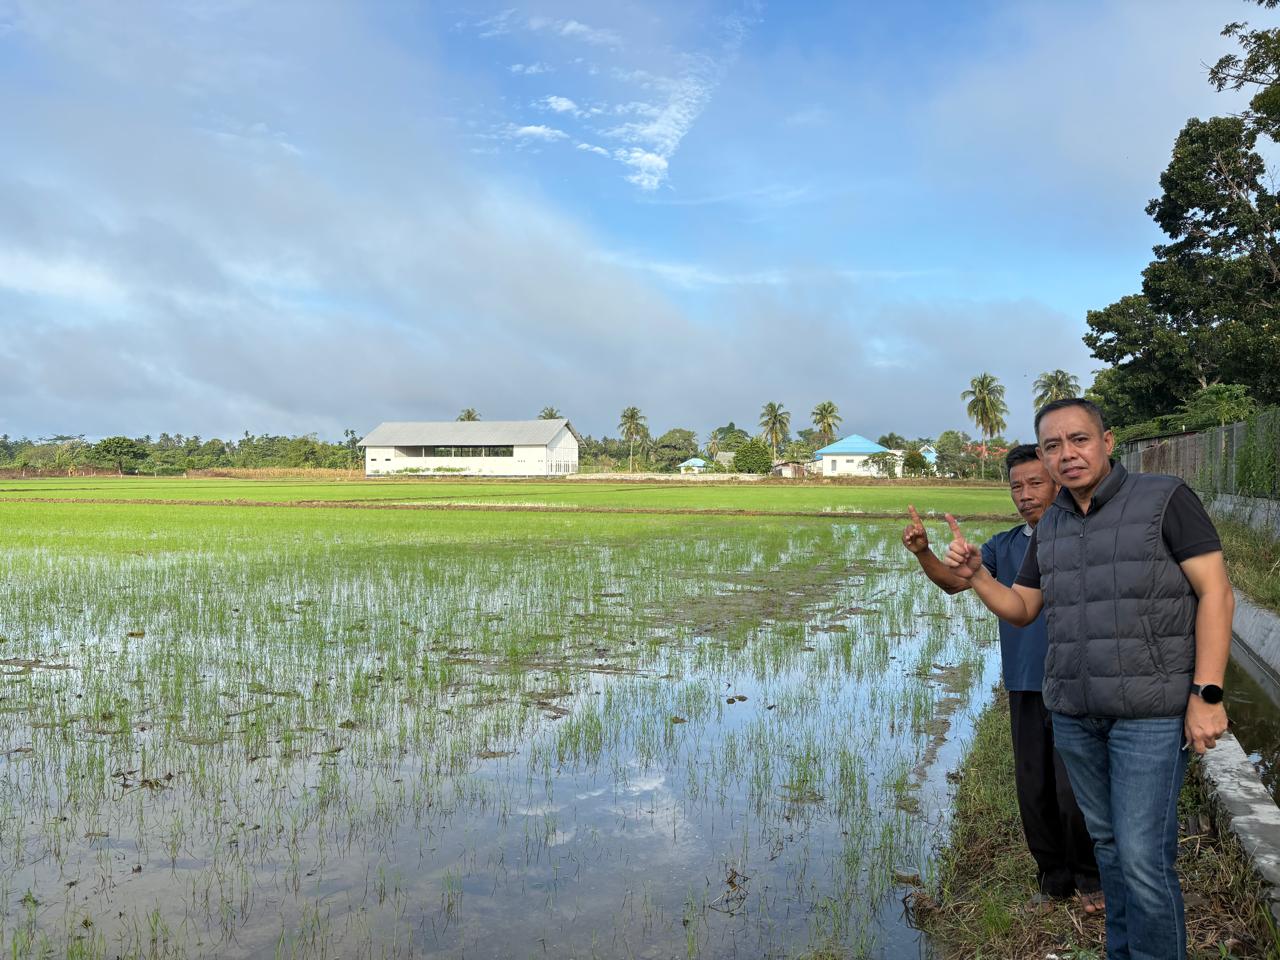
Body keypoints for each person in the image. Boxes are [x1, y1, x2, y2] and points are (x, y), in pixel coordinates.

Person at [942, 397, 1233, 960]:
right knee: (1108, 847)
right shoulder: (1050, 522)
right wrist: (977, 574)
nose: (1067, 454)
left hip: (1148, 713)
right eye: (1053, 445)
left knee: (1145, 857)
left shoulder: (1164, 499)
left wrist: (1207, 693)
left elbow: (1215, 592)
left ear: (1107, 441)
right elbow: (1024, 607)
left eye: (1079, 439)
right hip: (1075, 712)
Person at [903, 445, 1101, 912]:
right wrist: (924, 552)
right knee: (1033, 788)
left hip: (1081, 685)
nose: (1026, 495)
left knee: (1077, 789)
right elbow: (955, 582)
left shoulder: (1088, 537)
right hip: (1027, 682)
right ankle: (1054, 882)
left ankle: (1093, 880)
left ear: (1057, 482)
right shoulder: (1005, 545)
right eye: (1017, 486)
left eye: (1036, 483)